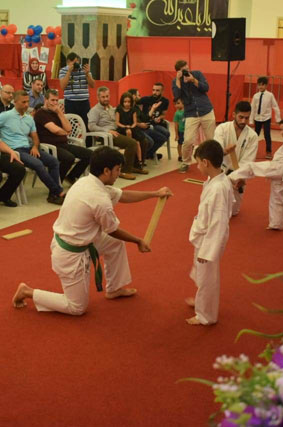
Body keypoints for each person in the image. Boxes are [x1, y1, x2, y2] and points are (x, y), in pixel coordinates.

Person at [11, 146, 173, 315]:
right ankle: (28, 291)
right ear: (106, 171)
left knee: (115, 244)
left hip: (79, 241)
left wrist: (155, 194)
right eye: (117, 169)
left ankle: (114, 288)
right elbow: (113, 230)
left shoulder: (87, 181)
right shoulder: (99, 199)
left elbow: (123, 195)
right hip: (70, 254)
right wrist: (138, 240)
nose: (119, 173)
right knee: (76, 307)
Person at [185, 140, 233, 325]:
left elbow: (218, 223)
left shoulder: (218, 188)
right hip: (203, 235)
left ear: (206, 162)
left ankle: (206, 315)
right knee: (200, 272)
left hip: (209, 239)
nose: (197, 166)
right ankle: (201, 299)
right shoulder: (216, 180)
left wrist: (208, 251)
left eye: (198, 163)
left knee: (208, 278)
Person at [229, 116, 283, 230]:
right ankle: (276, 223)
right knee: (277, 197)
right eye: (281, 130)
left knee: (251, 166)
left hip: (279, 168)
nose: (282, 133)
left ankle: (230, 177)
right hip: (280, 171)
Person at [0, 90, 64, 205]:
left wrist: (35, 147)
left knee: (54, 162)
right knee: (38, 164)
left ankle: (53, 195)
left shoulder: (29, 118)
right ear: (15, 102)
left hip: (28, 148)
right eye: (23, 102)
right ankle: (58, 192)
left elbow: (35, 137)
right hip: (14, 150)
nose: (26, 105)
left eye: (28, 102)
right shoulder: (5, 116)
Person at [34, 89, 92, 184]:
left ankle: (71, 177)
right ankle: (56, 182)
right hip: (50, 146)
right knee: (69, 158)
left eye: (56, 100)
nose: (55, 103)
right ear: (46, 100)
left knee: (89, 154)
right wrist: (65, 132)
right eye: (52, 100)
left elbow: (69, 128)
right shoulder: (40, 114)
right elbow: (55, 130)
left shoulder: (56, 112)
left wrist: (60, 113)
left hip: (63, 144)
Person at [87, 87, 144, 180]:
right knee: (132, 143)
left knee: (142, 140)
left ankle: (135, 166)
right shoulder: (95, 110)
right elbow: (91, 126)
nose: (105, 99)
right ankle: (125, 171)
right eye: (103, 97)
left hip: (118, 131)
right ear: (98, 97)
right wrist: (107, 131)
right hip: (107, 135)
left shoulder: (112, 108)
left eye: (107, 96)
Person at [213, 101, 258, 216]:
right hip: (220, 171)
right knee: (215, 208)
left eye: (246, 118)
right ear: (234, 115)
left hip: (238, 174)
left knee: (233, 211)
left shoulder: (252, 136)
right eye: (241, 117)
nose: (243, 121)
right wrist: (224, 151)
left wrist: (239, 177)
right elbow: (215, 151)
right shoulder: (222, 129)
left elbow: (248, 161)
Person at [172, 59, 216, 172]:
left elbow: (206, 88)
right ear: (178, 72)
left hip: (206, 110)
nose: (187, 71)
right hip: (191, 112)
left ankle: (214, 161)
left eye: (187, 68)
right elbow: (176, 96)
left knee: (211, 139)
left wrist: (193, 80)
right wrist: (178, 80)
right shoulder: (176, 81)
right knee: (187, 140)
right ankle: (186, 162)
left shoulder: (197, 74)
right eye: (184, 70)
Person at [129, 88, 168, 161]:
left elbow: (145, 118)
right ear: (133, 96)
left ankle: (147, 154)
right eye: (138, 95)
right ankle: (139, 157)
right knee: (150, 141)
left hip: (145, 127)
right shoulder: (128, 107)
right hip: (137, 129)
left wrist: (153, 109)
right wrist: (140, 124)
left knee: (162, 138)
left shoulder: (136, 107)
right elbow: (129, 121)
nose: (140, 97)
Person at [59, 52, 95, 128]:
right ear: (68, 62)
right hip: (70, 103)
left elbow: (92, 85)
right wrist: (69, 72)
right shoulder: (63, 70)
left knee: (86, 126)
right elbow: (62, 86)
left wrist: (87, 74)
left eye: (77, 62)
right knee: (71, 127)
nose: (76, 64)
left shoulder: (84, 69)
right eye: (73, 63)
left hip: (84, 103)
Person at [115, 92, 148, 171]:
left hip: (132, 128)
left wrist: (131, 126)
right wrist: (125, 127)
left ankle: (139, 162)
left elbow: (135, 122)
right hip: (122, 128)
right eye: (125, 102)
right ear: (122, 102)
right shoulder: (119, 109)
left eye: (129, 102)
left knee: (139, 142)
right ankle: (129, 144)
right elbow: (117, 122)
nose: (127, 104)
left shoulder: (133, 110)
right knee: (130, 135)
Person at [250, 76, 280, 159]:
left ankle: (268, 151)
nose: (260, 87)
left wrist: (278, 118)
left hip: (266, 118)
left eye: (262, 85)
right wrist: (251, 120)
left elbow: (275, 106)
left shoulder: (270, 95)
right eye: (259, 85)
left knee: (267, 135)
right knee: (255, 135)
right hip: (257, 118)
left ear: (266, 85)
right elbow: (252, 108)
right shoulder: (255, 96)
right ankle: (251, 150)